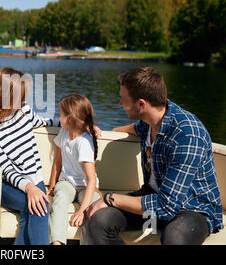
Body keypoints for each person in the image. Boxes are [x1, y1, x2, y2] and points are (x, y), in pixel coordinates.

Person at [84, 66, 223, 245]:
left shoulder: (186, 134)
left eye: (122, 99)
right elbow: (134, 128)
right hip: (153, 198)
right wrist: (106, 132)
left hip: (192, 208)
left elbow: (166, 206)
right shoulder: (149, 122)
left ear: (141, 104)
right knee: (98, 221)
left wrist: (110, 198)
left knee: (175, 238)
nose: (119, 104)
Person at [0, 67, 59, 245]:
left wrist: (80, 124)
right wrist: (29, 188)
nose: (24, 99)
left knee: (35, 208)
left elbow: (45, 122)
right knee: (39, 207)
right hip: (9, 185)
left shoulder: (24, 110)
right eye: (21, 95)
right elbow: (6, 168)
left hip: (36, 181)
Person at [48, 94, 101, 245]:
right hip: (66, 182)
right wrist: (52, 187)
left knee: (94, 209)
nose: (59, 117)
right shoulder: (64, 132)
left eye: (61, 114)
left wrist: (82, 210)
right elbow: (58, 162)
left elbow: (91, 180)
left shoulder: (84, 142)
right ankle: (57, 242)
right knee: (59, 202)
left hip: (87, 186)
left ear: (70, 118)